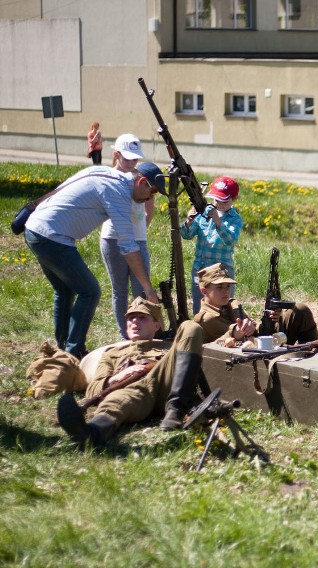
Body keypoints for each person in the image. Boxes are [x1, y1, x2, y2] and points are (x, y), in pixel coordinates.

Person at [24, 162, 164, 359]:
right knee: (90, 292)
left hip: (35, 229)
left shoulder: (104, 172)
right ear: (142, 182)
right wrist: (148, 288)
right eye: (152, 192)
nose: (150, 198)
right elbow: (128, 246)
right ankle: (74, 353)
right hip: (52, 236)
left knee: (65, 290)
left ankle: (62, 348)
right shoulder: (118, 194)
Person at [56, 297, 206, 446]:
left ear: (156, 325)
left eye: (142, 318)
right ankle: (91, 433)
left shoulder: (171, 347)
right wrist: (115, 378)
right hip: (134, 392)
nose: (135, 321)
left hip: (166, 385)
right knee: (116, 402)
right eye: (131, 318)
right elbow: (93, 390)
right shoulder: (111, 353)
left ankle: (176, 410)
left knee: (190, 326)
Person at [100, 134, 156, 339]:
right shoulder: (109, 178)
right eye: (128, 158)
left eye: (136, 158)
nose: (132, 162)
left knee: (141, 289)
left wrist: (142, 228)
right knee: (120, 290)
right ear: (116, 155)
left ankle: (142, 332)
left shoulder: (140, 177)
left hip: (138, 241)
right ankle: (124, 335)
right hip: (112, 240)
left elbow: (150, 202)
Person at [193, 262, 318, 345]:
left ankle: (313, 356)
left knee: (299, 310)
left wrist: (274, 319)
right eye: (219, 287)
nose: (226, 291)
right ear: (204, 290)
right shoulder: (205, 319)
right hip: (244, 357)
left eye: (227, 286)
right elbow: (211, 349)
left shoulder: (233, 304)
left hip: (260, 342)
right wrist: (235, 333)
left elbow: (255, 328)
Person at [180, 176, 243, 314]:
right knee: (199, 305)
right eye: (216, 199)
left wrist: (217, 220)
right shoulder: (203, 214)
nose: (219, 203)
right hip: (200, 269)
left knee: (223, 306)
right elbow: (186, 235)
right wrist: (189, 221)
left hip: (222, 271)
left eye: (224, 201)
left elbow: (230, 240)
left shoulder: (235, 219)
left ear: (234, 199)